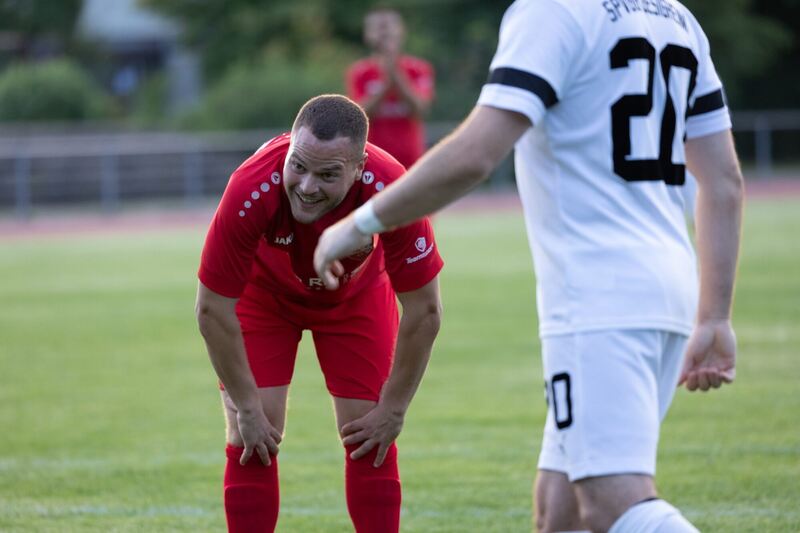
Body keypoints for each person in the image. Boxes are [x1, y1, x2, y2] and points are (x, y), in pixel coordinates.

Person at [315, 1, 743, 531]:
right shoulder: (676, 16)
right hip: (668, 286)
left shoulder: (552, 11)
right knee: (557, 511)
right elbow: (722, 180)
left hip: (599, 296)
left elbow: (476, 153)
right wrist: (715, 315)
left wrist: (357, 224)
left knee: (611, 501)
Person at [195, 94, 443, 533]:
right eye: (298, 166)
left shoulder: (393, 190)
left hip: (355, 298)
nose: (307, 186)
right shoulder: (251, 185)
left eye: (328, 174)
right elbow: (212, 308)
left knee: (370, 435)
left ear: (359, 166)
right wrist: (247, 408)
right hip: (264, 297)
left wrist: (395, 409)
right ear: (290, 147)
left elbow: (424, 310)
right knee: (256, 435)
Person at [346, 6, 434, 169]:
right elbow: (359, 114)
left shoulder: (419, 69)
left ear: (401, 31)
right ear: (367, 34)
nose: (384, 33)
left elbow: (420, 109)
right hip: (371, 160)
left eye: (388, 26)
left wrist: (395, 73)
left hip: (411, 161)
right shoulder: (359, 71)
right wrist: (387, 84)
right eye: (378, 27)